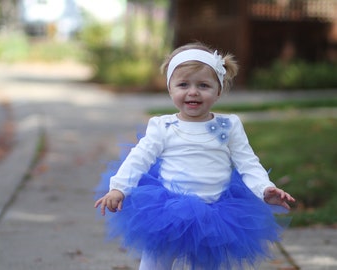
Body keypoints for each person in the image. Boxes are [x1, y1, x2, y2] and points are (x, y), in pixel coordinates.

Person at [94, 42, 295, 270]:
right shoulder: (164, 126)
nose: (193, 92)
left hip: (215, 212)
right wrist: (119, 187)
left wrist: (264, 189)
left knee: (207, 263)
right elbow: (138, 158)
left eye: (203, 85)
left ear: (218, 90)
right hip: (168, 210)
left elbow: (248, 163)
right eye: (183, 84)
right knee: (156, 261)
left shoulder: (229, 125)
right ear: (170, 89)